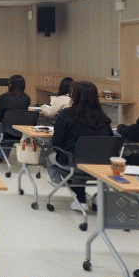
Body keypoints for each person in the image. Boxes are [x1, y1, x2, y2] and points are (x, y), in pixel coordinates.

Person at [49, 81, 113, 211]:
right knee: (79, 157)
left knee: (52, 159)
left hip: (75, 164)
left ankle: (80, 198)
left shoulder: (65, 115)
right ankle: (89, 197)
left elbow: (56, 143)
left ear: (74, 95)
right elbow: (110, 142)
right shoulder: (104, 118)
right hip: (101, 166)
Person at [0, 74, 31, 141]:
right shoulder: (27, 99)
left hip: (6, 131)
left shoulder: (3, 97)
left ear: (10, 85)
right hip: (22, 131)